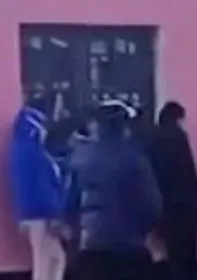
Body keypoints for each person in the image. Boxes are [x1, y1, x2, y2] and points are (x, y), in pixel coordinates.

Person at [66, 100, 162, 280]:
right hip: (130, 249)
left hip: (91, 248)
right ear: (125, 127)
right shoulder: (135, 159)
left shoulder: (79, 159)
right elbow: (152, 205)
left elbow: (69, 203)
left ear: (95, 127)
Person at [8, 96, 67, 280]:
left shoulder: (20, 150)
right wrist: (55, 213)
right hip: (41, 213)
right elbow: (45, 184)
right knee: (47, 259)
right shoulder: (36, 153)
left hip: (30, 212)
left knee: (48, 257)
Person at [147, 101, 197, 280]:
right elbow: (189, 177)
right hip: (185, 208)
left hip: (164, 206)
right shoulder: (179, 138)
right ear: (178, 118)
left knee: (171, 258)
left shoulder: (153, 139)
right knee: (186, 259)